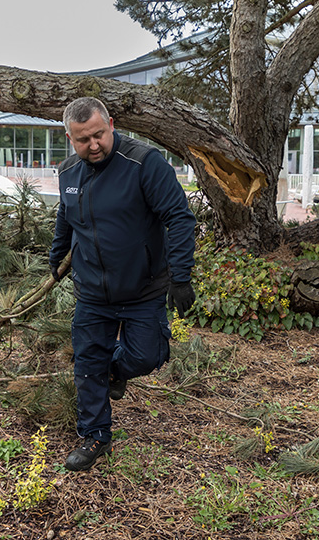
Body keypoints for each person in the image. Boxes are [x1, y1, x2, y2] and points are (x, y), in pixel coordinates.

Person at [49, 97, 197, 471]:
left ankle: (115, 371)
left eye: (99, 134)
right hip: (92, 291)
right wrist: (58, 252)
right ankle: (95, 435)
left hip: (142, 286)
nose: (94, 145)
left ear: (111, 124)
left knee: (148, 356)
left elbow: (180, 219)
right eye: (84, 140)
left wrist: (180, 277)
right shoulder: (68, 171)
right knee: (87, 363)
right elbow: (66, 216)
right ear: (70, 138)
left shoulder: (145, 164)